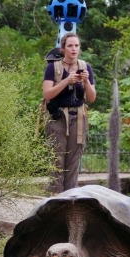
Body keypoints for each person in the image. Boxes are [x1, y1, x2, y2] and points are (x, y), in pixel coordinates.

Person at [42, 32, 96, 193]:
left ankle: (70, 197)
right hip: (57, 117)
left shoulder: (86, 67)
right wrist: (67, 81)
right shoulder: (53, 67)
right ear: (63, 48)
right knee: (57, 158)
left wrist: (85, 81)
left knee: (74, 160)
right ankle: (55, 197)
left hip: (78, 117)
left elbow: (92, 98)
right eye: (70, 46)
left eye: (77, 45)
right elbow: (47, 94)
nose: (74, 49)